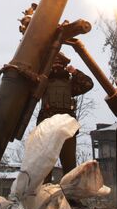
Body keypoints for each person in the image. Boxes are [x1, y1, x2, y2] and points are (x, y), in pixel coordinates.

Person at [37, 52, 94, 182]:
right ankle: (44, 196)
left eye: (60, 63)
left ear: (65, 66)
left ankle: (71, 198)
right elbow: (29, 86)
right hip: (48, 126)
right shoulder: (43, 82)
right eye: (54, 63)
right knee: (45, 165)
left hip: (67, 128)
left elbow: (88, 84)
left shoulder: (70, 83)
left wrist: (75, 72)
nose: (57, 66)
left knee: (69, 165)